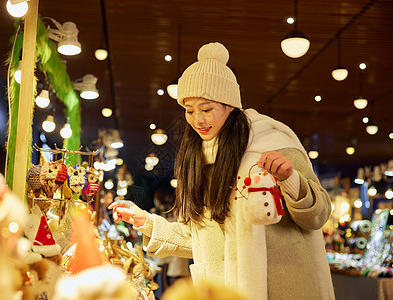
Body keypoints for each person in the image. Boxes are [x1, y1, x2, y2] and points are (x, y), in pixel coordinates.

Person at [109, 42, 335, 299]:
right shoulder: (199, 157)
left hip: (283, 287)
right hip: (224, 289)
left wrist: (290, 180)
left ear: (230, 105)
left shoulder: (273, 144)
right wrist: (146, 222)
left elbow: (318, 216)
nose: (198, 120)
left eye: (206, 109)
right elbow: (201, 236)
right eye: (189, 110)